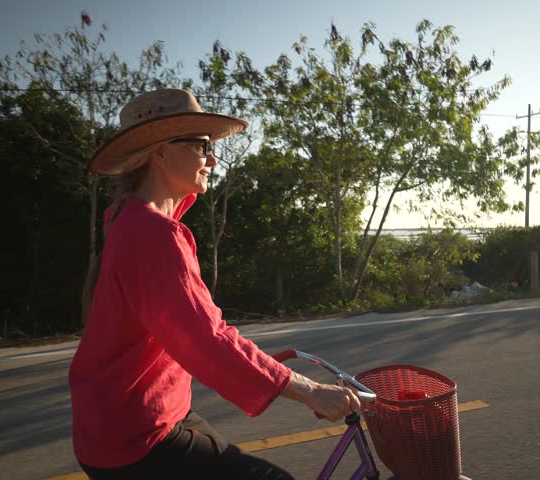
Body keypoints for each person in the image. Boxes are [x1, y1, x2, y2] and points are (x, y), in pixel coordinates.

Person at [69, 89, 361, 480]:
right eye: (202, 146)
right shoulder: (151, 234)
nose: (212, 159)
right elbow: (206, 339)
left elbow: (185, 330)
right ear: (160, 152)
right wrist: (310, 390)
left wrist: (259, 365)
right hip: (138, 435)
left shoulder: (127, 219)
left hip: (136, 418)